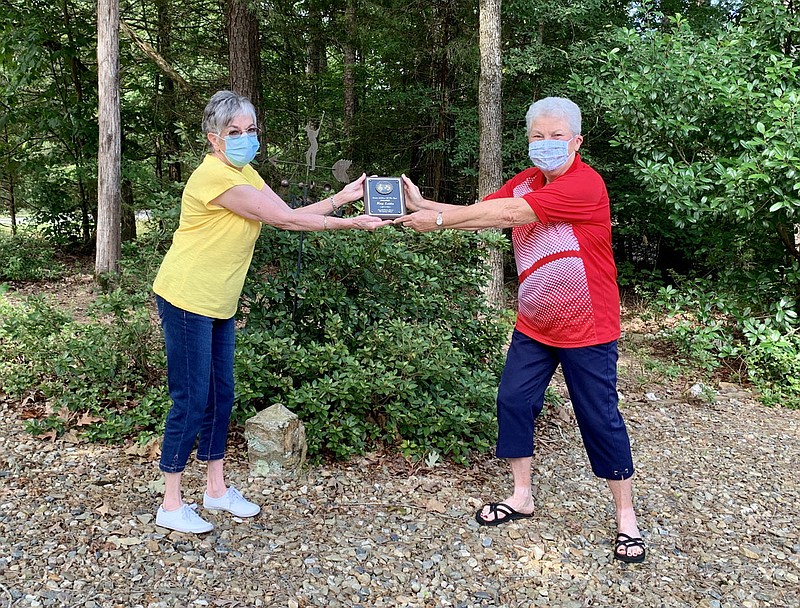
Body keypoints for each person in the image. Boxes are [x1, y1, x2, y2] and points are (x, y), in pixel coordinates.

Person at [394, 97, 645, 563]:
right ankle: (521, 495)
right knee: (512, 401)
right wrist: (424, 204)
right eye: (537, 136)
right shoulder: (527, 181)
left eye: (556, 137)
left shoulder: (585, 185)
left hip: (588, 327)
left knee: (599, 417)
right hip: (535, 323)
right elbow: (484, 210)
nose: (546, 145)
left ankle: (626, 518)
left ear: (577, 141)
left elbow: (510, 216)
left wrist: (437, 221)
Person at [151, 90, 389, 534]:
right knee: (192, 398)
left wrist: (343, 198)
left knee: (222, 394)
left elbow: (288, 211)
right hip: (186, 298)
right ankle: (171, 501)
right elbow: (287, 222)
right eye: (233, 132)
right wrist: (350, 222)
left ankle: (216, 491)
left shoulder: (245, 172)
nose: (244, 138)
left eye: (250, 130)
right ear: (213, 138)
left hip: (219, 299)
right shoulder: (215, 179)